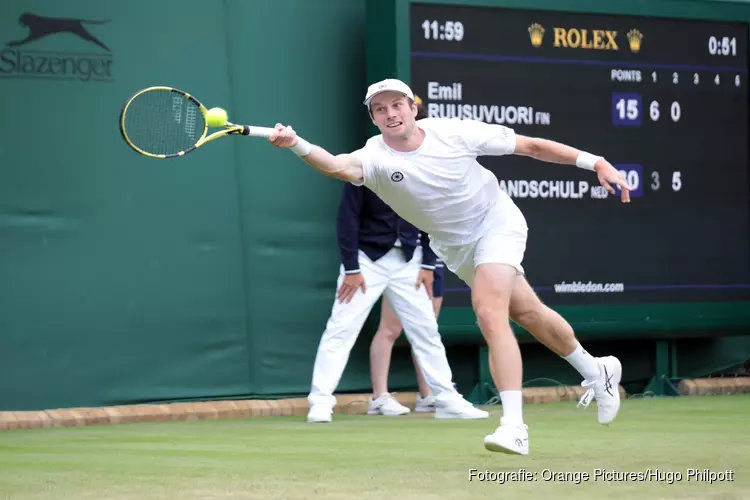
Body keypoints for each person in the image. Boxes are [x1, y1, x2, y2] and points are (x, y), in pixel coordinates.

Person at [267, 78, 630, 456]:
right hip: (456, 248)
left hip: (496, 222)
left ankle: (514, 427)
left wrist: (597, 162)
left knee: (490, 313)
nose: (390, 114)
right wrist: (297, 145)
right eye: (380, 109)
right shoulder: (373, 157)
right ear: (374, 118)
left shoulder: (454, 132)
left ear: (412, 107)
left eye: (396, 105)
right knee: (528, 312)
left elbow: (532, 147)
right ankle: (596, 370)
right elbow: (337, 166)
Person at [306, 170, 489, 423]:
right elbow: (347, 217)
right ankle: (320, 401)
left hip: (409, 262)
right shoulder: (363, 166)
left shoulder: (421, 169)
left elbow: (428, 218)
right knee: (341, 328)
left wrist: (427, 263)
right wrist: (351, 267)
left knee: (426, 330)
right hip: (365, 261)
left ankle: (448, 399)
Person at [369, 95, 444, 413]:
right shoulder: (381, 159)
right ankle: (379, 396)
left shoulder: (437, 162)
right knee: (390, 328)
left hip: (431, 259)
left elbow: (434, 218)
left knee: (427, 329)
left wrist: (428, 261)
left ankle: (429, 393)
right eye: (384, 111)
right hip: (400, 258)